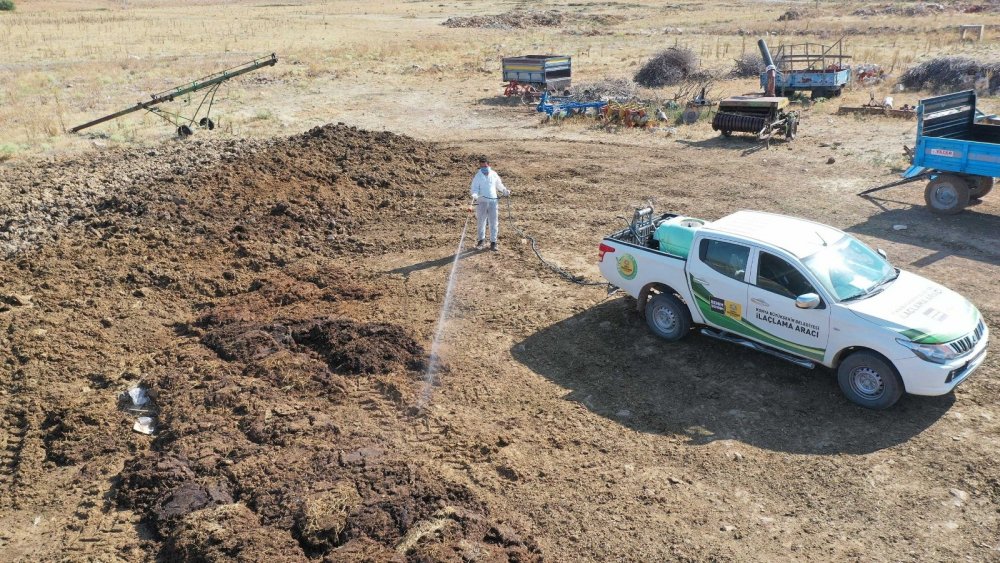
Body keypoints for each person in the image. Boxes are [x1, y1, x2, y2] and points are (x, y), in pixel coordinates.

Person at [469, 157, 510, 252]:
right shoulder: (478, 176)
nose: (483, 168)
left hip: (493, 202)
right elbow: (474, 188)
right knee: (481, 222)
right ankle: (481, 241)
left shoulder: (494, 174)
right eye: (481, 166)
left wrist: (504, 191)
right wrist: (474, 194)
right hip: (481, 202)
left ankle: (493, 242)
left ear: (488, 165)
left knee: (494, 222)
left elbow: (499, 185)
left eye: (485, 166)